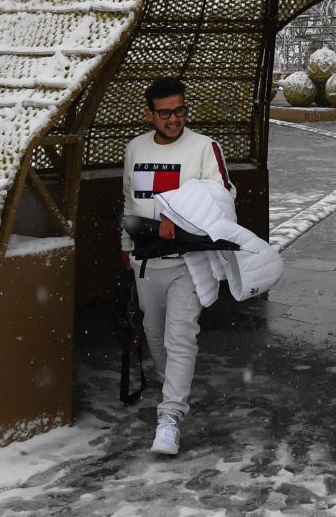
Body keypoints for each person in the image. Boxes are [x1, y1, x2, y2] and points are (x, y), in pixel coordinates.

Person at [122, 77, 229, 458]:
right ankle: (176, 391)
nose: (174, 119)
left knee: (180, 336)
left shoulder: (204, 148)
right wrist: (125, 246)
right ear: (149, 112)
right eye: (165, 112)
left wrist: (180, 217)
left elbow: (222, 195)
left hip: (189, 262)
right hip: (146, 263)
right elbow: (130, 200)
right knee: (154, 335)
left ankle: (169, 418)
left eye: (180, 110)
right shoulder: (134, 148)